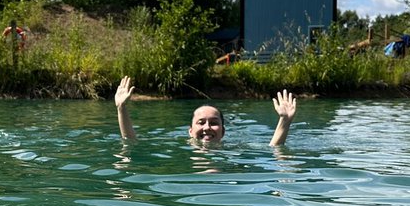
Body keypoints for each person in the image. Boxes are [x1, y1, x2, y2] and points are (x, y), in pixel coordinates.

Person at [114, 75, 297, 146]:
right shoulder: (177, 148)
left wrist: (285, 121)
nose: (207, 127)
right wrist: (121, 109)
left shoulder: (233, 150)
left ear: (223, 132)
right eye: (201, 122)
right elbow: (131, 142)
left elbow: (274, 150)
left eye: (214, 123)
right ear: (190, 130)